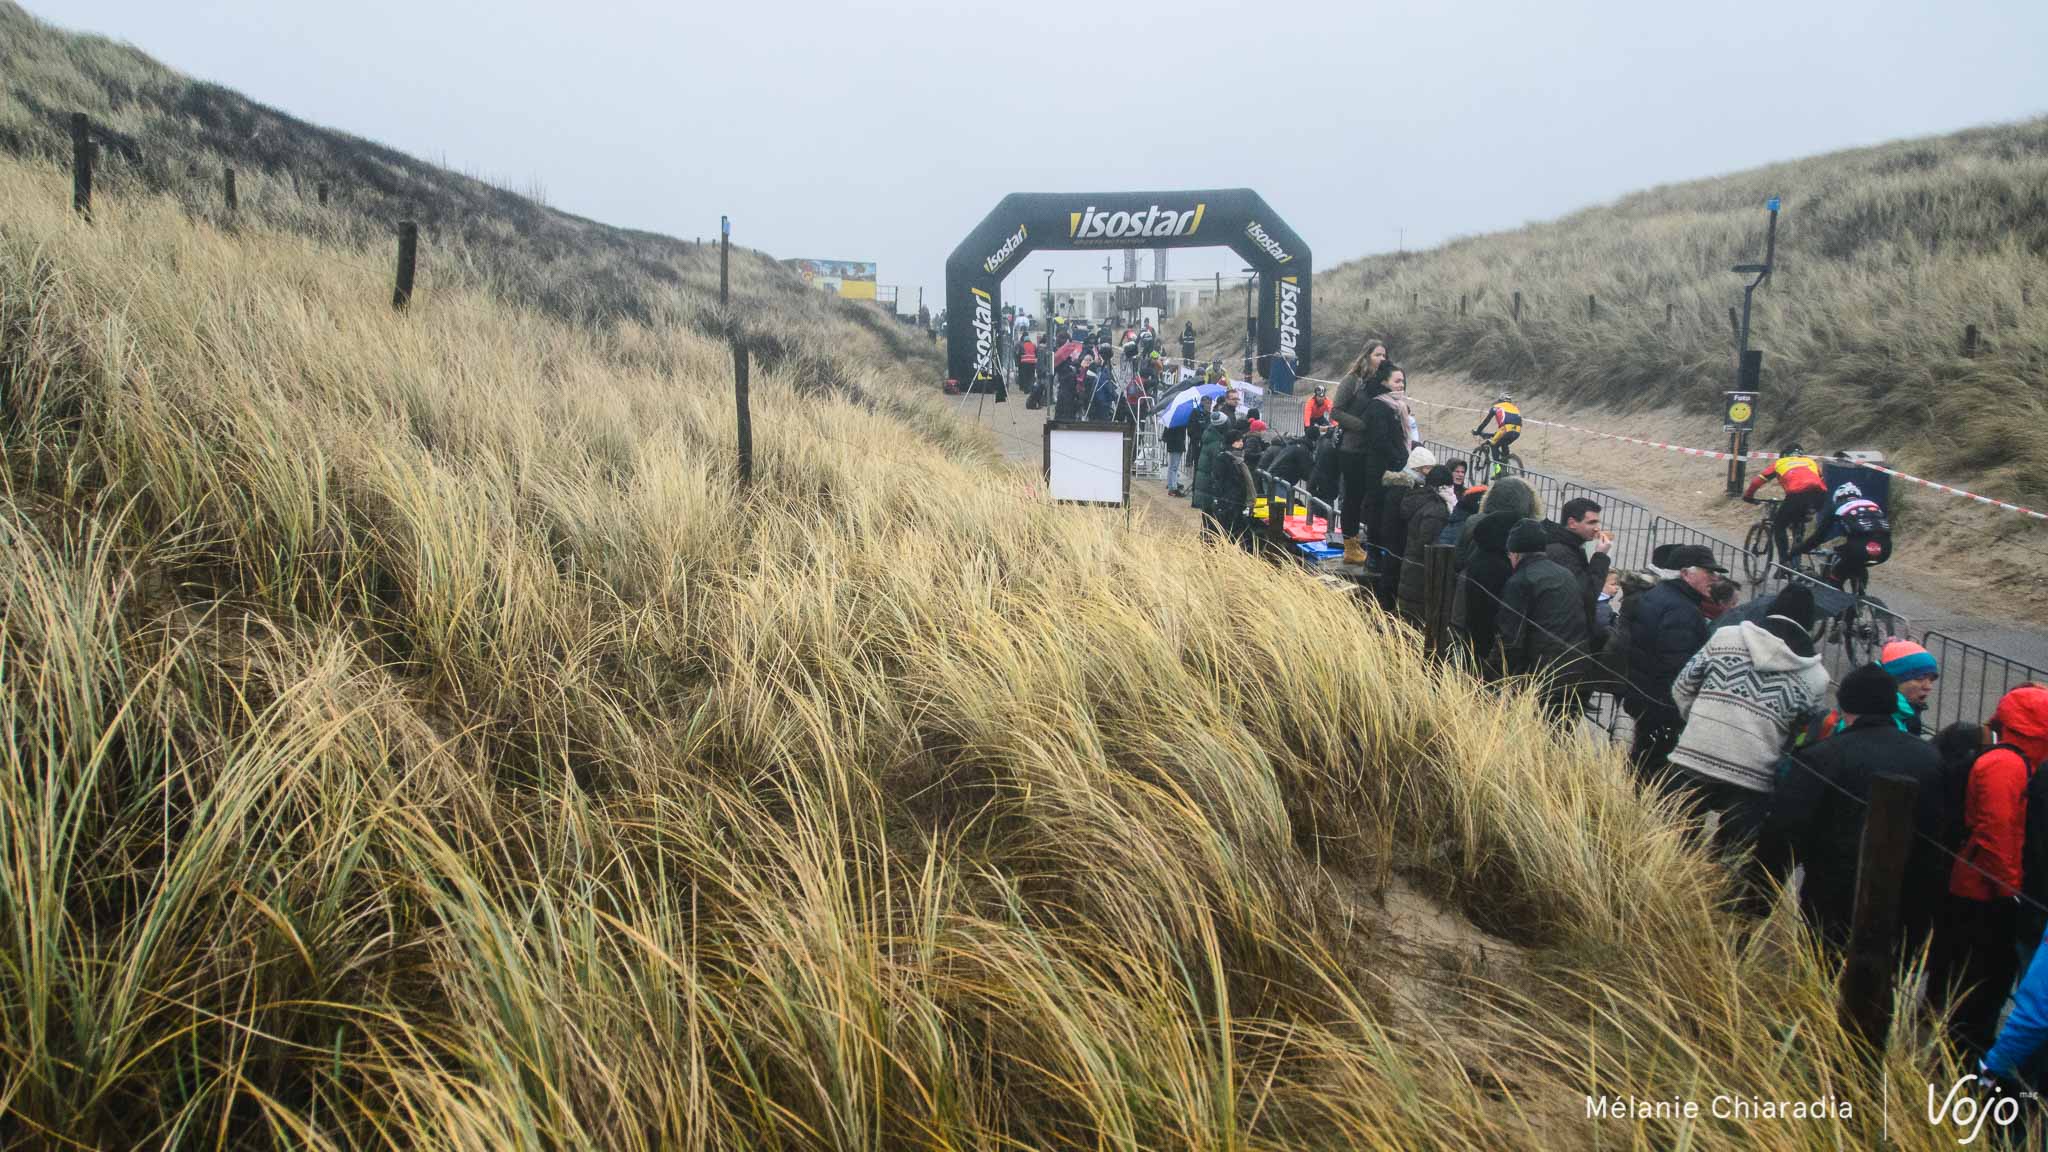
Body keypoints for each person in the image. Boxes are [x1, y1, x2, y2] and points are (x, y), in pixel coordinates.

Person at [1769, 664, 1947, 950]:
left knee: (1824, 970)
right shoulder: (1929, 757)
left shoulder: (1822, 756)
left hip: (1832, 891)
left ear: (1846, 705)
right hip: (1903, 895)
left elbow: (1785, 827)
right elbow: (1937, 834)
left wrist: (1758, 895)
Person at [1664, 583, 1827, 849]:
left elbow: (1682, 686)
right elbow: (1800, 732)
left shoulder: (1725, 638)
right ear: (1809, 623)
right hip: (1753, 775)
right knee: (1730, 859)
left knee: (1673, 844)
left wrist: (1699, 721)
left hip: (1694, 754)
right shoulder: (1816, 677)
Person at [1937, 683, 2048, 1057]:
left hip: (1982, 886)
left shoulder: (2007, 758)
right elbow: (1997, 833)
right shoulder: (2007, 765)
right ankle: (1965, 1065)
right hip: (1983, 893)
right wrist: (2012, 893)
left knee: (1984, 983)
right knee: (1983, 985)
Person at [1620, 544, 1720, 778]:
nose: (1715, 578)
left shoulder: (1659, 595)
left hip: (1644, 694)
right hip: (1663, 705)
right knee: (1653, 767)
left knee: (1642, 758)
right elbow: (1677, 666)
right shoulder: (1681, 610)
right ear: (1686, 573)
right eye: (1709, 572)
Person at [1500, 518, 1596, 720]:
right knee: (1562, 735)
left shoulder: (1520, 581)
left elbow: (1511, 639)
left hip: (1544, 676)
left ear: (1515, 553)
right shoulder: (1565, 574)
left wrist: (1491, 677)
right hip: (1577, 669)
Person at [1451, 476, 1541, 675]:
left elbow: (1458, 560)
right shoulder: (1524, 529)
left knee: (1470, 656)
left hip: (1471, 597)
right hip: (1506, 603)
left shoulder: (1473, 522)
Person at [1329, 343, 1408, 567]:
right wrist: (1362, 425)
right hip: (1351, 448)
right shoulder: (1352, 380)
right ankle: (1350, 546)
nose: (1382, 358)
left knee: (1368, 497)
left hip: (1369, 450)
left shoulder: (1382, 382)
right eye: (1377, 354)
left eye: (1385, 354)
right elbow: (1336, 411)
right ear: (1367, 356)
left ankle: (1366, 543)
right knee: (1353, 498)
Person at [1787, 479, 1891, 589]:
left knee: (1837, 576)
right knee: (1856, 562)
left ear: (1837, 498)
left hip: (1858, 549)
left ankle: (1838, 600)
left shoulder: (1837, 507)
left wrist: (1796, 551)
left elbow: (1818, 537)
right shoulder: (1872, 505)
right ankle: (1861, 594)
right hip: (1885, 549)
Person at [1741, 443, 1828, 564]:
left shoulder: (1780, 463)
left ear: (1784, 455)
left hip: (1797, 495)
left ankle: (1784, 563)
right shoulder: (1810, 462)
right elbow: (1821, 480)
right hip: (1820, 496)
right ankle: (1798, 547)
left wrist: (1748, 496)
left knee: (1779, 526)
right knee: (1798, 520)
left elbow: (1756, 482)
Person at [1394, 464, 1458, 625]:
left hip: (1410, 570)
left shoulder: (1419, 499)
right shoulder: (1436, 510)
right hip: (1421, 577)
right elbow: (1428, 544)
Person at [1545, 497, 1615, 644]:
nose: (1597, 528)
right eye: (1591, 522)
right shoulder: (1562, 552)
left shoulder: (1572, 546)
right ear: (1572, 523)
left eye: (1598, 522)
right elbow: (1587, 594)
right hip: (1564, 636)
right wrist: (1600, 556)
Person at [1470, 391, 1523, 477]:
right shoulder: (1515, 408)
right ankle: (1505, 464)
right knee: (1503, 442)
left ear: (1500, 400)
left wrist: (1478, 431)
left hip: (1505, 430)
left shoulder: (1496, 407)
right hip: (1517, 431)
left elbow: (1485, 421)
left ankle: (1497, 470)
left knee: (1493, 445)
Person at [1387, 366, 1422, 447]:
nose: (1401, 385)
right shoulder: (1378, 406)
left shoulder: (1409, 417)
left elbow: (1413, 436)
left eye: (1403, 382)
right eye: (1397, 381)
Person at [1162, 411, 1190, 497]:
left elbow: (1165, 436)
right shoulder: (1181, 423)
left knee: (1172, 467)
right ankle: (1173, 488)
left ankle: (1172, 485)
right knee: (1173, 467)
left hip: (1174, 445)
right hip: (1177, 445)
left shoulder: (1171, 422)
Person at [1017, 335, 1040, 408]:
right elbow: (1036, 353)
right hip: (1032, 362)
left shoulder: (1022, 345)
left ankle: (1026, 389)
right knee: (1031, 376)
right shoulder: (1034, 345)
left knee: (1025, 376)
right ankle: (1031, 388)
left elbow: (1019, 353)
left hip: (1024, 363)